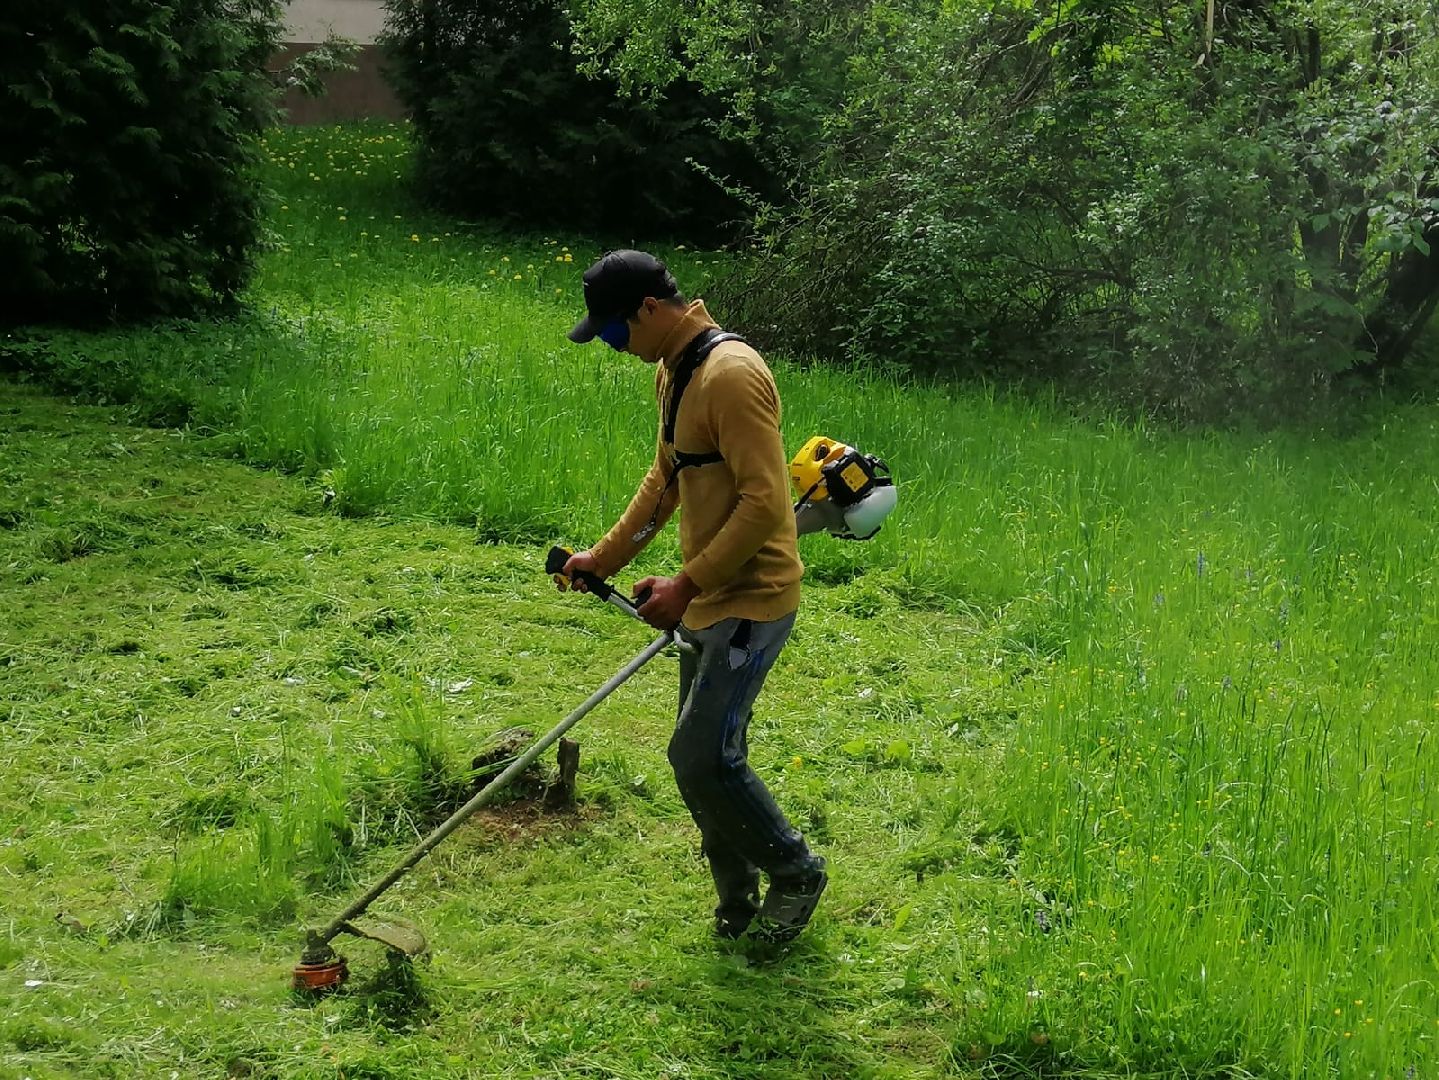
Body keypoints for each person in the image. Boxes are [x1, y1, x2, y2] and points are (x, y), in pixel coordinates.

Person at [558, 249, 827, 943]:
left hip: (753, 597)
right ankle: (736, 901)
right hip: (708, 595)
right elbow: (666, 480)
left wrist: (687, 583)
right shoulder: (673, 370)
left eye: (615, 332)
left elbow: (768, 504)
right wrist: (605, 557)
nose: (614, 347)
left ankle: (795, 874)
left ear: (649, 310)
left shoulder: (731, 375)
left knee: (703, 757)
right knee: (698, 763)